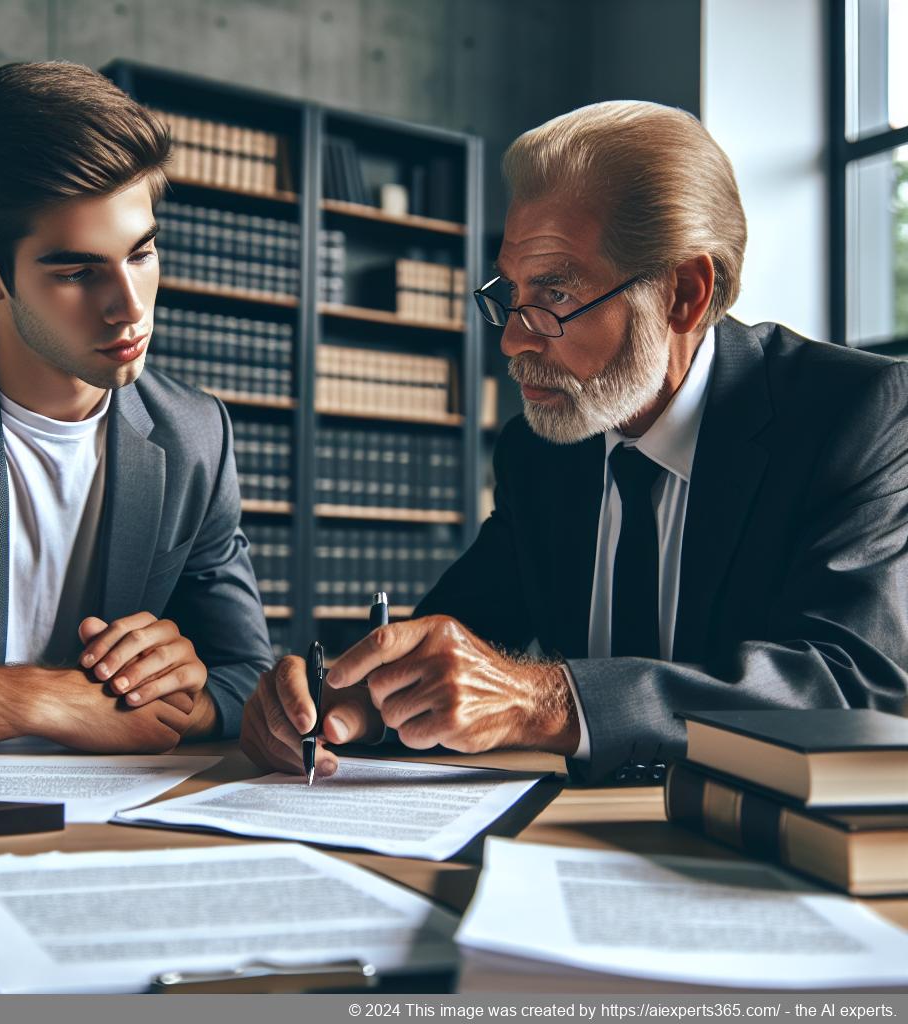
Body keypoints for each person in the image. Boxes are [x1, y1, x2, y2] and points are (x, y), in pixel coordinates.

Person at [241, 100, 908, 785]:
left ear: (683, 293)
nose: (511, 340)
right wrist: (351, 701)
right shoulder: (541, 454)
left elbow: (852, 688)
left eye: (555, 297)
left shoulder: (856, 415)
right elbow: (451, 650)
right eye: (511, 292)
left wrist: (548, 701)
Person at [0, 62, 273, 766]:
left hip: (117, 821)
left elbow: (248, 670)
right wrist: (22, 698)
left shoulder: (194, 436)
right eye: (77, 272)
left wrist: (190, 694)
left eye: (143, 252)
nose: (129, 306)